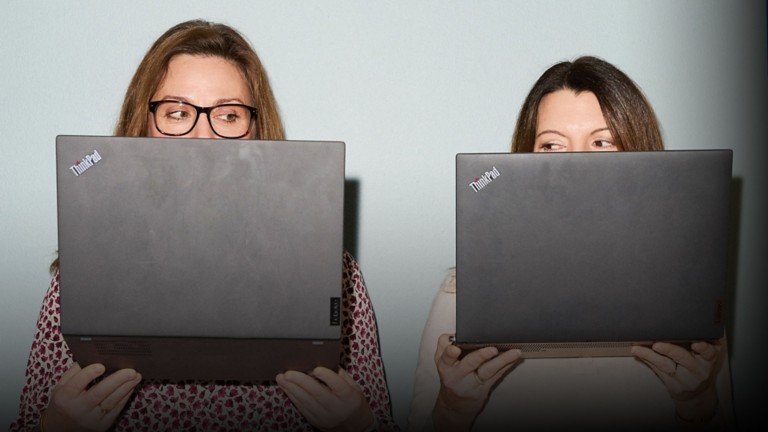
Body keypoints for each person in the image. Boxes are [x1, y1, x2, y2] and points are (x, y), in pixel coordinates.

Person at [11, 19, 396, 432]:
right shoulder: (80, 275)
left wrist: (361, 425)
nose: (202, 136)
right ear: (142, 124)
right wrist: (53, 427)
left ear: (256, 131)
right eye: (177, 113)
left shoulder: (331, 274)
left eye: (228, 116)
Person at [407, 56, 736, 431]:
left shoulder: (687, 299)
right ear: (524, 157)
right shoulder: (460, 294)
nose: (578, 163)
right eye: (552, 145)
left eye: (602, 142)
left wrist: (697, 405)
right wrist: (452, 409)